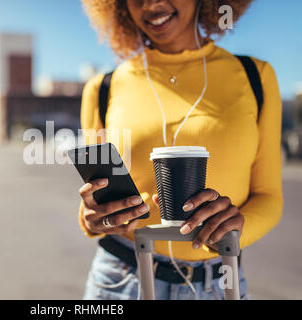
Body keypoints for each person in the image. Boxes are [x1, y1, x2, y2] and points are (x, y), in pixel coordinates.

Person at [78, 0, 283, 300]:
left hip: (218, 283)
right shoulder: (101, 90)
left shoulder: (256, 76)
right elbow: (95, 197)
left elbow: (269, 196)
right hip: (120, 282)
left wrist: (237, 228)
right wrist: (91, 217)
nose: (150, 3)